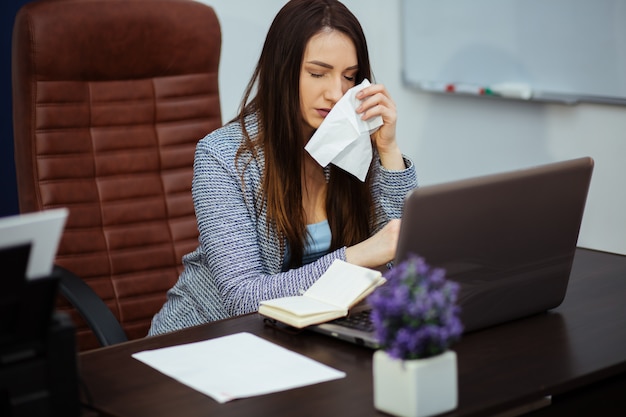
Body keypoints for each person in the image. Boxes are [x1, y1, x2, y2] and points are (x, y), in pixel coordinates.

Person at [148, 0, 417, 335]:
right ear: (282, 70)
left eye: (349, 77)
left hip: (300, 337)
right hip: (208, 339)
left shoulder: (351, 144)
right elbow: (244, 298)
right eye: (318, 74)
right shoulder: (222, 156)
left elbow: (400, 258)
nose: (337, 93)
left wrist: (388, 149)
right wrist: (356, 256)